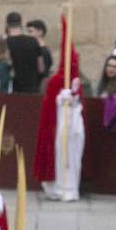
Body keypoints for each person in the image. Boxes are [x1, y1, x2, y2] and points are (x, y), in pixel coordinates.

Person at [33, 21, 84, 201]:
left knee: (73, 157)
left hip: (74, 125)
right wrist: (60, 98)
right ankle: (59, 186)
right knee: (60, 155)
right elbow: (49, 110)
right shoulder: (56, 81)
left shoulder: (77, 81)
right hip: (59, 125)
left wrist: (73, 97)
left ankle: (71, 187)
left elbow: (79, 102)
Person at [4, 11, 43, 93]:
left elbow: (7, 63)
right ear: (21, 23)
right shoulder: (33, 41)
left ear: (7, 25)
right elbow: (41, 68)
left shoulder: (6, 43)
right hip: (33, 87)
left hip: (15, 88)